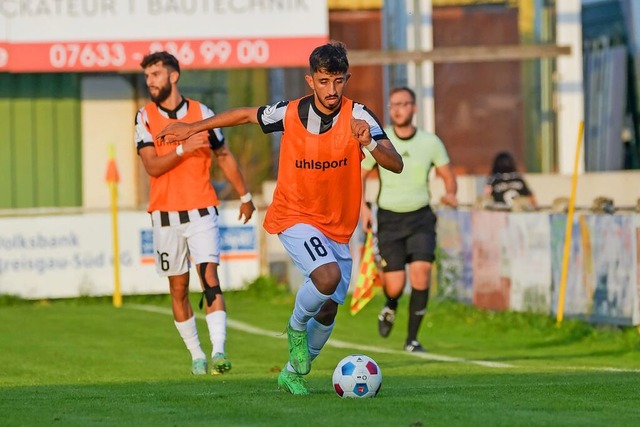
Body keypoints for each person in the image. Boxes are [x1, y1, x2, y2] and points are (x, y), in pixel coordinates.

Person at [157, 41, 403, 395]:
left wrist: (370, 145)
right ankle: (295, 326)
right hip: (294, 213)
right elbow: (244, 115)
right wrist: (194, 127)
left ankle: (291, 373)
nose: (331, 90)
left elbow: (395, 163)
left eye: (338, 81)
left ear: (347, 79)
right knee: (327, 275)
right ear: (310, 80)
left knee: (330, 309)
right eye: (323, 81)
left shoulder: (360, 117)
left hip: (338, 227)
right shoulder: (290, 113)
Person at [135, 51, 256, 376]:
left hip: (202, 210)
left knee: (210, 278)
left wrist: (245, 195)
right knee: (178, 288)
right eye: (148, 76)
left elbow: (225, 155)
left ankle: (219, 351)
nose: (151, 81)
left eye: (156, 74)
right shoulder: (144, 117)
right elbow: (151, 166)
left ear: (174, 76)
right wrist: (181, 148)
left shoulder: (203, 113)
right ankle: (197, 355)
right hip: (165, 216)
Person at [360, 86, 458, 353]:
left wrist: (450, 193)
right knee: (395, 284)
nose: (398, 109)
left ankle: (412, 340)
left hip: (421, 217)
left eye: (403, 104)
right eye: (393, 105)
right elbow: (359, 175)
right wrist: (363, 208)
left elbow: (448, 175)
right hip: (389, 218)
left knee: (421, 273)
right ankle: (391, 303)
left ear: (414, 108)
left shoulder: (430, 142)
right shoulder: (380, 139)